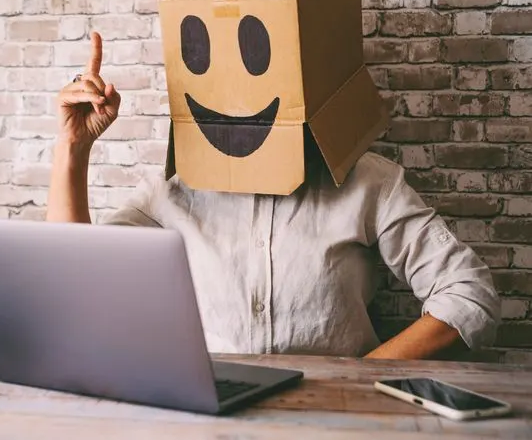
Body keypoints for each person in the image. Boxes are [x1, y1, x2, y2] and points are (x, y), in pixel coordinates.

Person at [46, 32, 501, 360]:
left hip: (332, 419)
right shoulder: (173, 192)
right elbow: (78, 289)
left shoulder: (368, 184)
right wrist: (73, 147)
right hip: (209, 417)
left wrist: (366, 378)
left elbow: (469, 294)